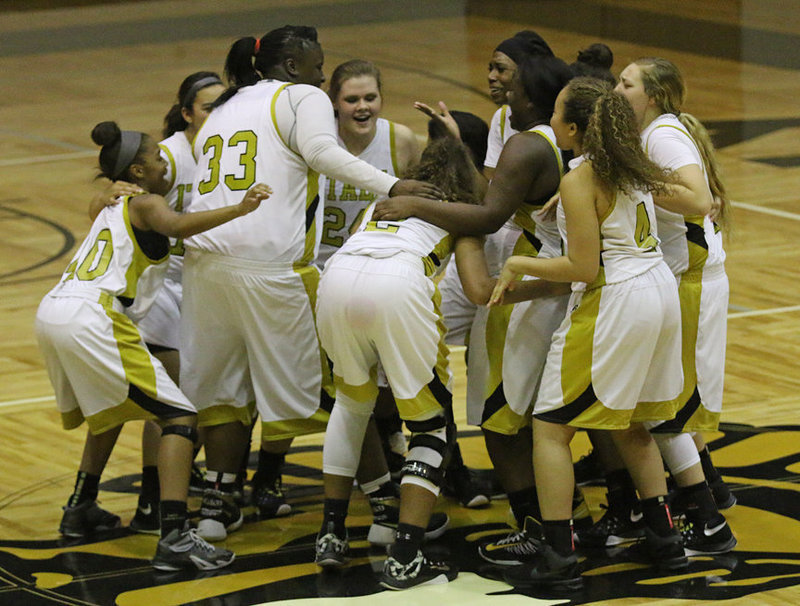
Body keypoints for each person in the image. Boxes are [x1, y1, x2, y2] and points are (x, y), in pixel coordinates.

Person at [179, 25, 441, 542]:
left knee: (225, 391)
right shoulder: (300, 96)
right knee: (346, 388)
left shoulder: (226, 106)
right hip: (270, 271)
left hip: (205, 266)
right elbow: (323, 153)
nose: (324, 74)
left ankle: (219, 501)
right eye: (319, 64)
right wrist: (393, 183)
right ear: (294, 65)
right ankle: (387, 510)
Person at [35, 121, 270, 570]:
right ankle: (175, 536)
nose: (166, 165)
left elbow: (101, 207)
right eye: (158, 160)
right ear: (139, 171)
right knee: (180, 419)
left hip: (57, 308)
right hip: (95, 314)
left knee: (110, 410)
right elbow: (177, 225)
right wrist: (241, 208)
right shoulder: (145, 202)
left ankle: (80, 505)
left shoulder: (114, 203)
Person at [377, 54, 579, 562]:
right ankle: (616, 513)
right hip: (569, 284)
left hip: (529, 285)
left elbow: (487, 220)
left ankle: (539, 526)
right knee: (572, 417)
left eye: (507, 74)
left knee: (499, 420)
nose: (498, 83)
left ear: (530, 96)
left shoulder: (529, 145)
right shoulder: (573, 147)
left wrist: (418, 203)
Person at [490, 78, 687, 591]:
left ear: (574, 128)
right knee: (631, 422)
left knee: (551, 427)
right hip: (657, 287)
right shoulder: (630, 163)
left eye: (555, 114)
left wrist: (518, 261)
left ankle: (559, 554)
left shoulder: (582, 179)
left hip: (616, 298)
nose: (550, 122)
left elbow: (580, 267)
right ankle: (666, 541)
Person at [314, 137, 479, 589]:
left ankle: (331, 534)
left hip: (338, 277)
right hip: (399, 281)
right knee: (430, 426)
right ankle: (405, 556)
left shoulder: (384, 200)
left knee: (351, 406)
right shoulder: (462, 212)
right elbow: (477, 287)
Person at [597, 56, 736, 554]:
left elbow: (699, 200)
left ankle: (709, 520)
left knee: (666, 405)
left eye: (626, 83)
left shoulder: (661, 135)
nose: (616, 89)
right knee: (664, 401)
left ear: (652, 95)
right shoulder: (653, 132)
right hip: (677, 276)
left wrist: (633, 179)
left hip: (691, 277)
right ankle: (709, 492)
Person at [128, 71, 226, 534]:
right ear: (187, 113)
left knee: (207, 393)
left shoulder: (233, 148)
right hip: (166, 286)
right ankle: (152, 498)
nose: (217, 115)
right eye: (208, 107)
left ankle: (184, 480)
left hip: (209, 285)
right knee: (172, 397)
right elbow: (108, 204)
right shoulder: (166, 156)